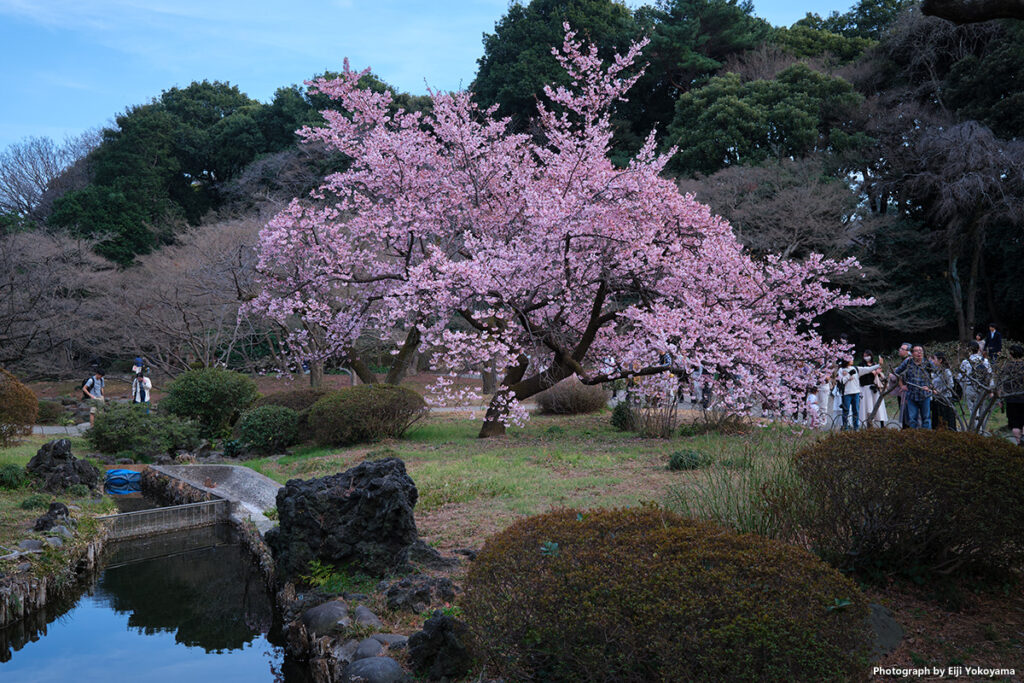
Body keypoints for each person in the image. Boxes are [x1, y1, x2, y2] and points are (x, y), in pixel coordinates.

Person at [893, 345, 937, 429]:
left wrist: (930, 386)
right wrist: (902, 385)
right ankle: (913, 438)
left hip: (925, 395)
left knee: (926, 418)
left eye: (921, 351)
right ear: (912, 353)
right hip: (911, 395)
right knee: (912, 419)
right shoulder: (908, 362)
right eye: (917, 351)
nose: (919, 353)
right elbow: (897, 372)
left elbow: (936, 375)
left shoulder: (927, 363)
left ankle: (927, 437)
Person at [836, 357, 880, 430]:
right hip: (846, 393)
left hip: (856, 392)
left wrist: (878, 365)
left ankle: (856, 427)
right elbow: (841, 381)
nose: (852, 360)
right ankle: (845, 427)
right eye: (850, 359)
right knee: (846, 411)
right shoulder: (841, 370)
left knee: (856, 411)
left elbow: (867, 369)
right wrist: (849, 375)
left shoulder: (856, 368)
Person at [958, 341, 993, 429]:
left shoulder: (965, 362)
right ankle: (981, 430)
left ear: (968, 350)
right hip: (982, 387)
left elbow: (960, 377)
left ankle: (975, 429)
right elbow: (990, 375)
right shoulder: (985, 361)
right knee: (982, 408)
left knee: (973, 410)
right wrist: (990, 389)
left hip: (970, 387)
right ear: (978, 349)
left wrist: (963, 389)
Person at [999, 345, 1024, 445]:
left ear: (1010, 355)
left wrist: (1001, 399)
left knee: (1015, 425)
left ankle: (1019, 444)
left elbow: (1001, 384)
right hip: (1023, 397)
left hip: (1011, 399)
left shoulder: (1006, 367)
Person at [858, 350, 888, 427]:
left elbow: (880, 374)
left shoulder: (875, 364)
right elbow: (861, 374)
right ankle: (868, 424)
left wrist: (877, 372)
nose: (866, 357)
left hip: (875, 387)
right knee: (868, 406)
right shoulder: (861, 365)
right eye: (864, 356)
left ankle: (882, 424)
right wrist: (871, 371)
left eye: (868, 355)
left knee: (879, 405)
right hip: (865, 388)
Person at [929, 352, 958, 431]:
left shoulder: (946, 371)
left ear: (940, 360)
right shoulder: (937, 371)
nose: (933, 361)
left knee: (947, 420)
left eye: (934, 359)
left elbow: (950, 385)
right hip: (937, 399)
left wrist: (939, 391)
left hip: (945, 399)